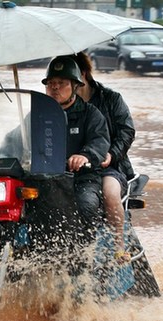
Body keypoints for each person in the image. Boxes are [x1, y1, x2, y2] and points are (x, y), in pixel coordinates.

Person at [65, 52, 136, 263]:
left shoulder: (111, 99)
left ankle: (118, 246)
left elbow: (127, 131)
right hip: (69, 167)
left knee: (109, 192)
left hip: (108, 166)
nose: (59, 87)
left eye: (68, 80)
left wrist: (110, 154)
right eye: (54, 83)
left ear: (83, 75)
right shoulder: (57, 105)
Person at [41, 56, 110, 226]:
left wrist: (84, 156)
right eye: (50, 83)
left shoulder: (90, 114)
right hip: (44, 177)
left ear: (75, 86)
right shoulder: (38, 114)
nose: (54, 87)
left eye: (61, 82)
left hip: (82, 178)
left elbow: (99, 141)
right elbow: (16, 138)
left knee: (85, 205)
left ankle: (84, 250)